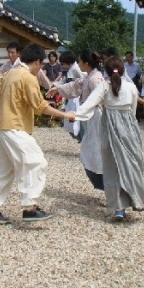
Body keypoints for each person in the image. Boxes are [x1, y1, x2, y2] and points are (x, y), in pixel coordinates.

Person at [0, 44, 75, 225]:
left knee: (3, 168)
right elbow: (40, 106)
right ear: (37, 62)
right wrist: (65, 115)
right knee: (36, 162)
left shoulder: (9, 74)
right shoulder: (28, 78)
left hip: (1, 127)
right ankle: (30, 207)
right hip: (15, 128)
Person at [73, 56, 144, 220]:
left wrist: (74, 114)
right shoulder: (131, 87)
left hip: (109, 126)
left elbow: (89, 104)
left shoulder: (104, 86)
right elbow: (133, 110)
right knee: (131, 164)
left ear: (106, 71)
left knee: (112, 167)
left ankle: (119, 208)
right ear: (122, 70)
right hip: (129, 127)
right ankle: (137, 198)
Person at [46, 49, 105, 190]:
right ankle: (102, 183)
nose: (78, 64)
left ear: (86, 63)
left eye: (80, 61)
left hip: (96, 117)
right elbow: (74, 86)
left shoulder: (95, 79)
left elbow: (100, 100)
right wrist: (58, 89)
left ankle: (106, 184)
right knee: (90, 150)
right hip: (90, 116)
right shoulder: (89, 76)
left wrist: (77, 114)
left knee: (96, 152)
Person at [58, 50, 83, 140]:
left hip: (75, 97)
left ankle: (80, 137)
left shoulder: (75, 69)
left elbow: (78, 81)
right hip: (72, 96)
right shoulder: (73, 68)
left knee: (74, 120)